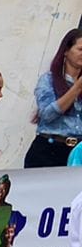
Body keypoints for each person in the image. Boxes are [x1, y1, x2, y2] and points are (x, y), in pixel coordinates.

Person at [26, 28, 82, 169]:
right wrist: (76, 88)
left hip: (78, 153)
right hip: (49, 150)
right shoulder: (48, 80)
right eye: (80, 49)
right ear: (66, 51)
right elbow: (46, 115)